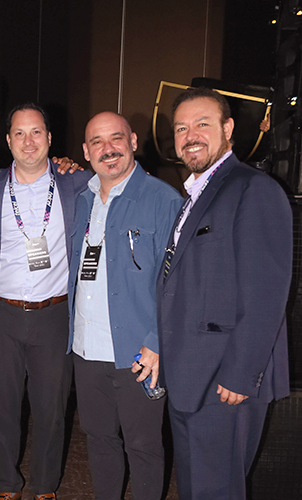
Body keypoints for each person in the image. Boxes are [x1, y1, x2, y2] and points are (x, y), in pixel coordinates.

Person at [157, 87, 292, 500]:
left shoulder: (254, 190)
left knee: (216, 490)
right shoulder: (196, 193)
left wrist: (240, 373)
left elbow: (267, 293)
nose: (190, 135)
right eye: (182, 127)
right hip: (189, 377)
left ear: (227, 128)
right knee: (198, 488)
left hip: (224, 381)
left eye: (202, 124)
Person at [0, 103, 92, 500]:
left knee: (51, 410)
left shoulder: (77, 184)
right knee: (2, 408)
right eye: (20, 134)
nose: (29, 141)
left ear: (49, 138)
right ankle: (7, 484)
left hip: (55, 313)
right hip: (2, 315)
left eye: (37, 132)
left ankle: (45, 486)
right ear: (8, 140)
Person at [67, 112, 182, 499]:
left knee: (144, 447)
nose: (108, 149)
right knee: (99, 440)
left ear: (133, 140)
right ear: (85, 152)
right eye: (97, 142)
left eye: (116, 138)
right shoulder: (82, 199)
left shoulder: (163, 199)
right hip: (86, 349)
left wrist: (158, 341)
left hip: (139, 350)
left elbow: (180, 281)